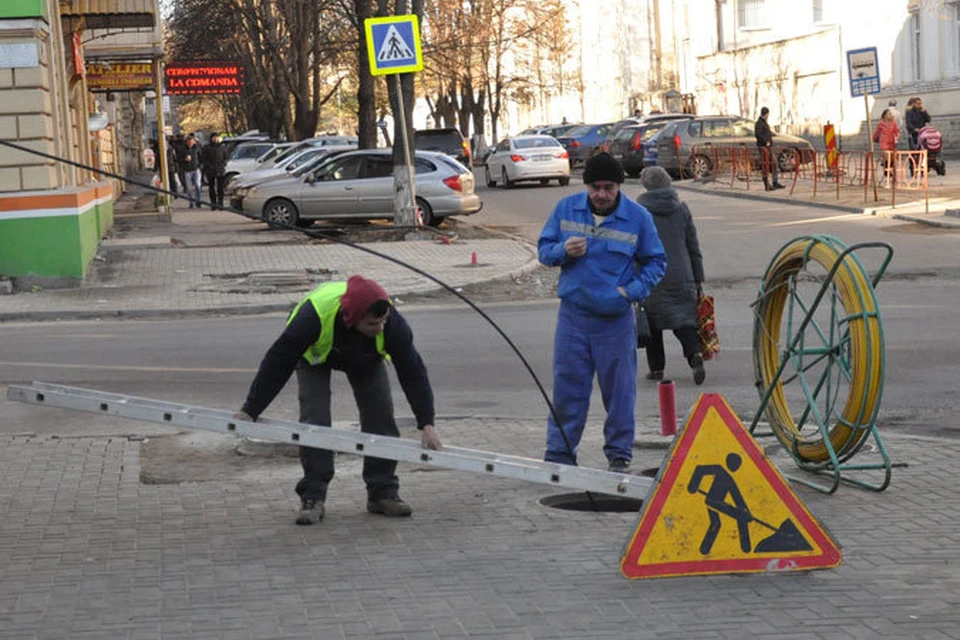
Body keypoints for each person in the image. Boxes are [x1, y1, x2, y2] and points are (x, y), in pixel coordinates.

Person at [234, 276, 442, 525]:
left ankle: (382, 492)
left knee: (380, 414)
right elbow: (277, 362)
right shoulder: (312, 318)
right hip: (315, 356)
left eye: (384, 320)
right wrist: (250, 410)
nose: (381, 328)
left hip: (365, 358)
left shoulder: (392, 324)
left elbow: (413, 372)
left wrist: (426, 423)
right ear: (351, 318)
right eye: (373, 323)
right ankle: (313, 496)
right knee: (315, 419)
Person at [537, 152, 667, 472]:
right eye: (595, 187)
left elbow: (656, 262)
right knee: (568, 388)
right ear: (587, 187)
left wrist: (630, 292)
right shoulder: (566, 209)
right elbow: (543, 251)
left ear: (620, 187)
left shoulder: (638, 218)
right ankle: (560, 457)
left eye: (609, 187)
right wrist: (562, 251)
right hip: (573, 317)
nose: (602, 194)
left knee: (620, 392)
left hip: (615, 320)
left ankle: (619, 455)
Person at [636, 167, 706, 385]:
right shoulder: (682, 209)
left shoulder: (639, 210)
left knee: (653, 323)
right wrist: (698, 278)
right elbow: (693, 246)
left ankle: (656, 369)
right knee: (683, 320)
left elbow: (633, 245)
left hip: (651, 273)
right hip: (681, 273)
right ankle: (695, 357)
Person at [755, 107, 784, 191]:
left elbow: (765, 133)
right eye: (768, 114)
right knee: (766, 166)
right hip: (764, 147)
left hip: (768, 147)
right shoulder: (759, 123)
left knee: (773, 163)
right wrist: (765, 142)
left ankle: (775, 182)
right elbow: (758, 134)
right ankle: (767, 184)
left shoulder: (763, 122)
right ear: (766, 114)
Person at [200, 132, 229, 209]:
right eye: (214, 137)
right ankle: (213, 204)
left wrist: (223, 164)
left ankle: (220, 203)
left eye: (217, 137)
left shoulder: (222, 148)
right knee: (211, 187)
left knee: (220, 188)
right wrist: (208, 166)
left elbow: (226, 157)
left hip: (220, 169)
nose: (216, 139)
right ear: (211, 138)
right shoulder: (207, 148)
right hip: (210, 170)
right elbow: (203, 158)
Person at [872, 109, 900, 187]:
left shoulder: (893, 123)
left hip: (892, 143)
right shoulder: (881, 124)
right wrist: (873, 139)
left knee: (893, 160)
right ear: (884, 115)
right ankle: (887, 172)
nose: (891, 115)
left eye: (891, 114)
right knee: (887, 158)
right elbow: (877, 132)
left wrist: (897, 136)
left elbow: (896, 131)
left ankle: (893, 176)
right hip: (884, 143)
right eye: (889, 114)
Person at [179, 135, 203, 208]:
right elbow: (179, 159)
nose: (190, 143)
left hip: (196, 169)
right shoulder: (183, 149)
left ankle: (198, 201)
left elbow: (201, 157)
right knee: (189, 188)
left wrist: (200, 166)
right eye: (188, 142)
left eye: (191, 141)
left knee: (197, 185)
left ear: (194, 141)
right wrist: (184, 160)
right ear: (186, 142)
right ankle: (191, 202)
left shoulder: (197, 148)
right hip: (187, 170)